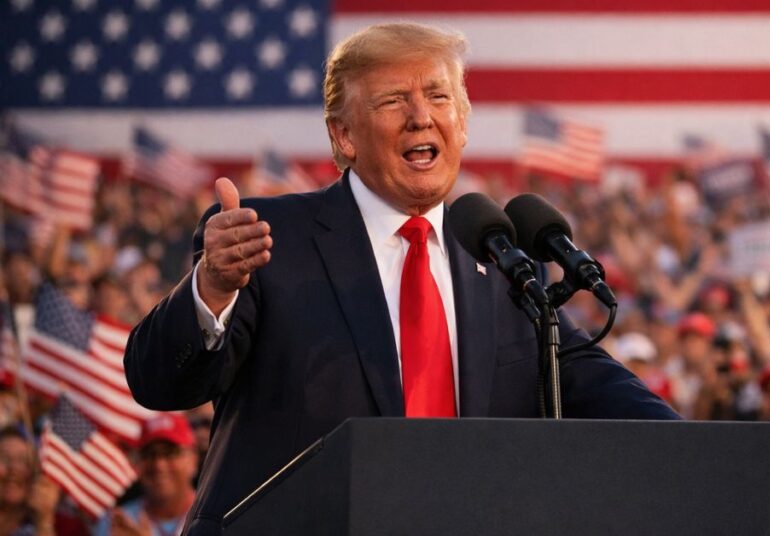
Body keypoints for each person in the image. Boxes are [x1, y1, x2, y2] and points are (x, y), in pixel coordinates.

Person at [123, 22, 678, 535]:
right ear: (344, 136)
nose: (421, 116)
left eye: (438, 97)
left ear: (461, 124)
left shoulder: (503, 260)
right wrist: (213, 288)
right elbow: (160, 383)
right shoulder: (270, 237)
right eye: (394, 100)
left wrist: (710, 451)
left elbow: (591, 382)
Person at [94, 414, 198, 536]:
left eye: (170, 452)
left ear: (193, 460)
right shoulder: (117, 522)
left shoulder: (215, 514)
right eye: (149, 454)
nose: (159, 465)